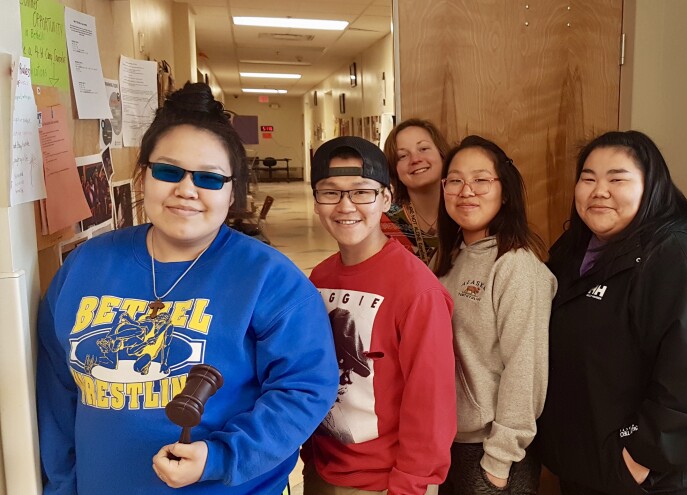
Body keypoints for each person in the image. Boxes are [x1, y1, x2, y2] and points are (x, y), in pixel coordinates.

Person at [36, 82, 339, 494]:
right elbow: (57, 393)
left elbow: (304, 388)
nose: (186, 189)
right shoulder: (85, 267)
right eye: (168, 171)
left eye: (210, 179)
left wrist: (221, 457)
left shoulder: (269, 278)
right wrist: (63, 484)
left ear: (232, 191)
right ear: (142, 176)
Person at [538, 131, 687, 495]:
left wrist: (641, 458)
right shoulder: (573, 251)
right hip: (586, 465)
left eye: (617, 179)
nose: (599, 190)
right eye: (588, 178)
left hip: (649, 476)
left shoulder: (676, 258)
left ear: (652, 187)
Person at [304, 136, 457, 495]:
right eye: (330, 192)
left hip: (386, 482)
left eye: (361, 192)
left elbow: (431, 403)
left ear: (386, 198)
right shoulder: (319, 277)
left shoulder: (418, 290)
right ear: (316, 201)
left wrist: (412, 484)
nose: (345, 206)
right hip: (322, 469)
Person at [433, 135, 556, 494]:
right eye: (455, 180)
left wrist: (499, 460)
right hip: (445, 440)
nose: (466, 190)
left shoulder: (515, 266)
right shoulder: (446, 259)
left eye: (481, 180)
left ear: (505, 192)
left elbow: (525, 367)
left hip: (489, 450)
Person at [382, 119, 452, 264]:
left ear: (442, 154)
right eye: (402, 156)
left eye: (423, 149)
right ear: (394, 169)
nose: (415, 159)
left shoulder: (467, 211)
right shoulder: (383, 223)